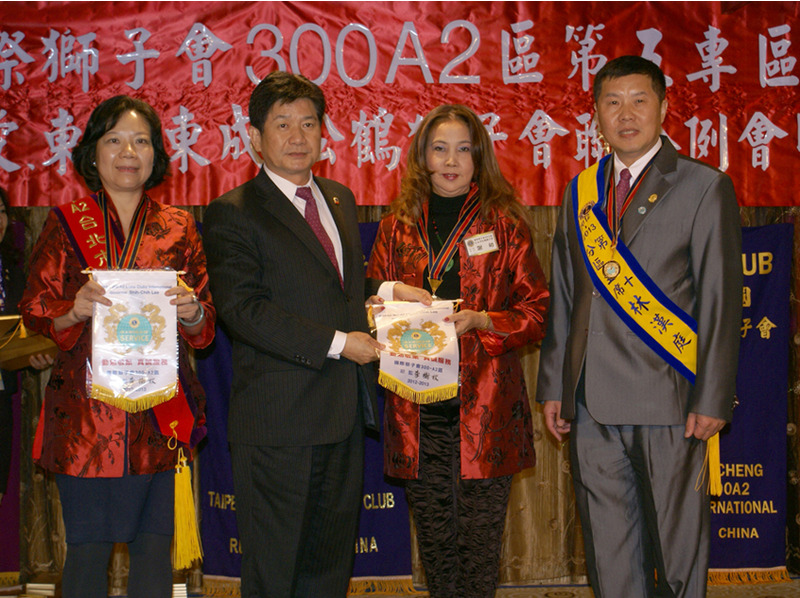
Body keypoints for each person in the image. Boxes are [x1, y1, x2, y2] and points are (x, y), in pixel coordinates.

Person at [204, 71, 419, 598]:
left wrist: (387, 289)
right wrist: (342, 343)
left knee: (328, 570)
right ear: (254, 137)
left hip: (341, 418)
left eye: (308, 123)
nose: (298, 137)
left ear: (324, 132)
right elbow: (244, 310)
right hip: (278, 424)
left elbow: (335, 285)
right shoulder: (233, 212)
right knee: (275, 575)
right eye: (282, 124)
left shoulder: (338, 198)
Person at [536, 56, 742, 598]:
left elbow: (721, 302)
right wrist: (555, 385)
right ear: (596, 116)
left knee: (677, 559)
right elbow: (566, 295)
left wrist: (713, 397)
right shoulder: (581, 191)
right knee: (611, 560)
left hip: (671, 402)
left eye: (638, 100)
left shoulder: (704, 186)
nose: (625, 114)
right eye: (612, 102)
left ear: (664, 107)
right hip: (591, 404)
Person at [19, 96, 215, 598]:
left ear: (156, 156)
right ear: (93, 153)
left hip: (159, 418)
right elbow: (35, 309)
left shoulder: (179, 226)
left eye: (141, 141)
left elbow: (206, 326)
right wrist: (73, 310)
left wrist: (192, 312)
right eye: (114, 140)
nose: (128, 152)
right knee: (86, 557)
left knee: (153, 555)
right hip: (86, 421)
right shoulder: (66, 223)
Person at [366, 104, 550, 598]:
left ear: (479, 158)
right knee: (437, 551)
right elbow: (367, 302)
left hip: (485, 412)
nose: (451, 161)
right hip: (416, 411)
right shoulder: (396, 227)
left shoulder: (504, 225)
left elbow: (537, 311)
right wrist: (383, 302)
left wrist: (483, 320)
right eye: (440, 149)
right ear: (422, 157)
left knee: (479, 552)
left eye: (463, 150)